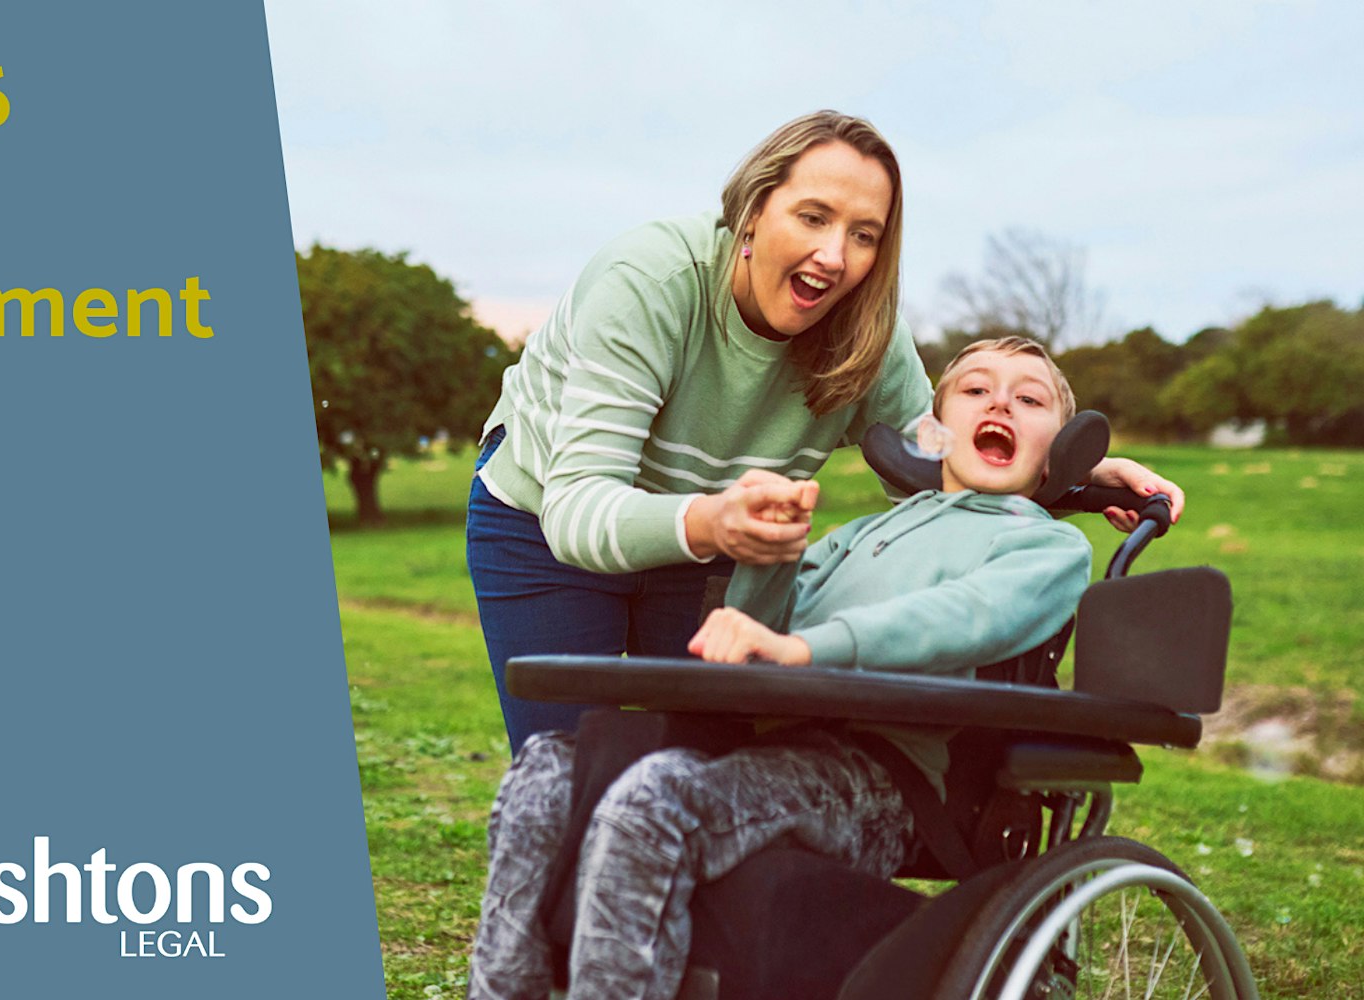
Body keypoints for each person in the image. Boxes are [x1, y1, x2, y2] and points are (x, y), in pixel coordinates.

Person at [467, 110, 1182, 753]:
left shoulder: (868, 337)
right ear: (751, 211)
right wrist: (714, 521)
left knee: (691, 764)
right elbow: (577, 512)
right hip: (549, 519)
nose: (835, 257)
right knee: (560, 768)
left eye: (863, 235)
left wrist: (1076, 480)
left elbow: (941, 460)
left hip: (714, 542)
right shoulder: (652, 281)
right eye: (812, 217)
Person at [466, 337, 1095, 1000]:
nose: (999, 401)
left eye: (1029, 398)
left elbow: (963, 616)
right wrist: (774, 555)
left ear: (1061, 447)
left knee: (656, 802)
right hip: (775, 749)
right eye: (974, 390)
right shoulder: (861, 536)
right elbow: (770, 623)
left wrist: (813, 648)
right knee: (546, 772)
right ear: (933, 435)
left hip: (892, 779)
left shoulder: (1046, 545)